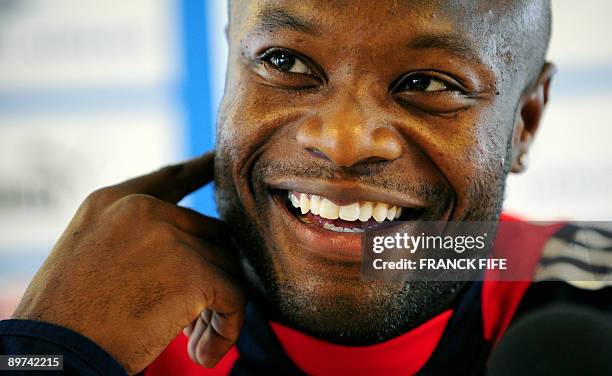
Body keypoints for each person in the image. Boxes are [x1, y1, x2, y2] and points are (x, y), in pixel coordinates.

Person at [1, 1, 611, 375]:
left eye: (428, 81)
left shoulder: (593, 287)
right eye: (284, 63)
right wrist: (50, 354)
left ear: (525, 121)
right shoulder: (78, 328)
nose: (344, 141)